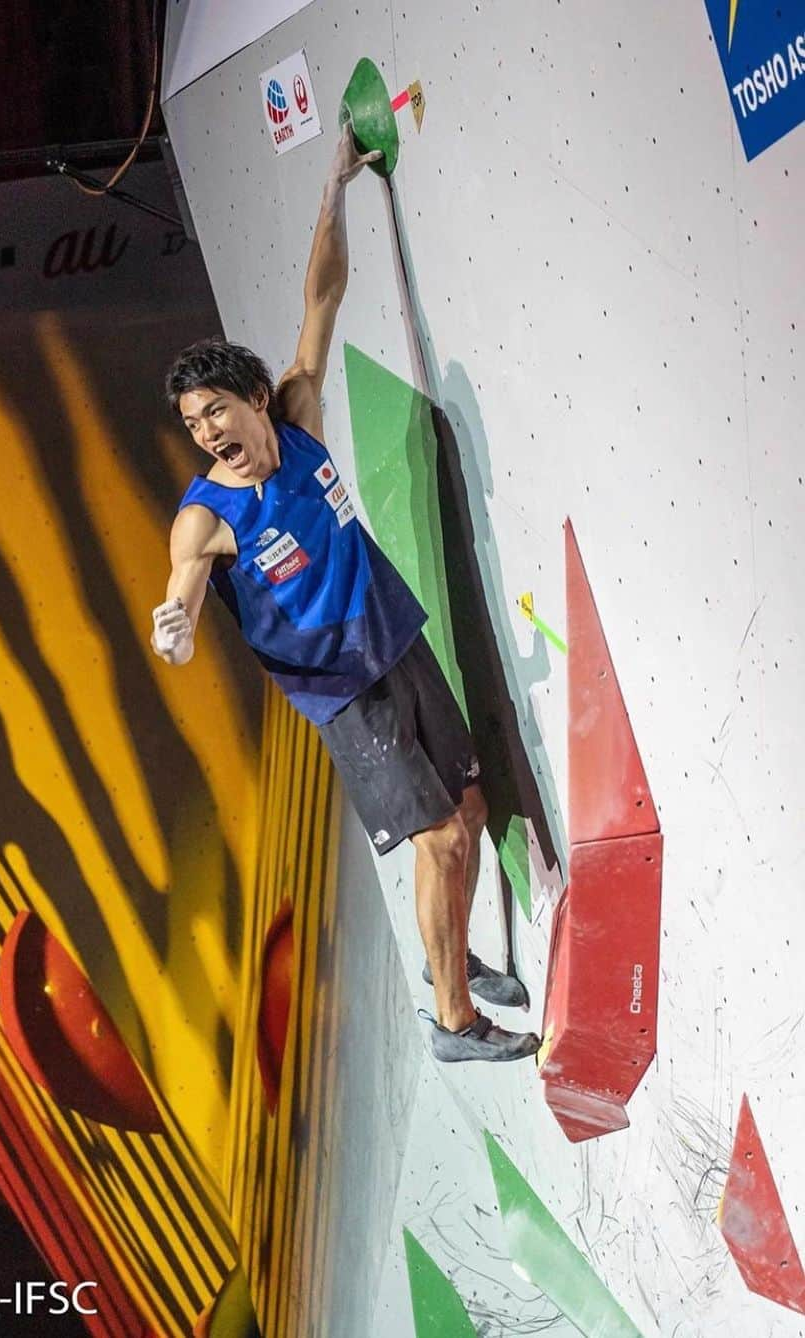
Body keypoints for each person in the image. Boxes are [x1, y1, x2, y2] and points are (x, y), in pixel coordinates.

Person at [151, 126, 539, 1064]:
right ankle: (453, 1022)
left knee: (471, 814)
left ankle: (457, 959)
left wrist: (333, 188)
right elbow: (184, 592)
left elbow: (323, 292)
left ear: (250, 396)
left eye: (214, 411)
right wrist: (175, 629)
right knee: (441, 838)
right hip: (345, 694)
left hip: (393, 639)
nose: (206, 433)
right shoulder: (206, 517)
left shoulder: (301, 412)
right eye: (192, 425)